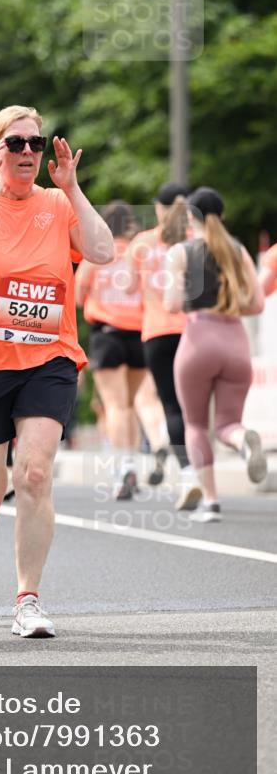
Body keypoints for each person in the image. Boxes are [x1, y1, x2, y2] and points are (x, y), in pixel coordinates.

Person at [0, 105, 114, 638]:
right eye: (15, 144)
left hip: (48, 357)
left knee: (34, 475)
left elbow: (102, 250)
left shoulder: (58, 205)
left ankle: (28, 600)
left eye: (35, 143)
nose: (29, 153)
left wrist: (73, 188)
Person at [164, 187, 266, 522]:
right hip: (235, 340)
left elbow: (172, 304)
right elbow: (257, 303)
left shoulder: (182, 251)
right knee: (228, 423)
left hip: (198, 338)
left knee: (195, 424)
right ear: (222, 215)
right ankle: (242, 442)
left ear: (190, 217)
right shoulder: (237, 251)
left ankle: (210, 502)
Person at [76, 200, 161, 498]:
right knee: (131, 404)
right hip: (139, 334)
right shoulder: (141, 253)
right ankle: (133, 466)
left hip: (108, 333)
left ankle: (122, 468)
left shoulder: (99, 252)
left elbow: (77, 293)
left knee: (115, 405)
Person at [126, 182, 200, 502]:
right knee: (192, 406)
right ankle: (202, 472)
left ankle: (187, 472)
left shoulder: (142, 242)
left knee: (169, 404)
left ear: (158, 207)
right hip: (193, 331)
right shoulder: (195, 241)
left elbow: (128, 287)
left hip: (156, 332)